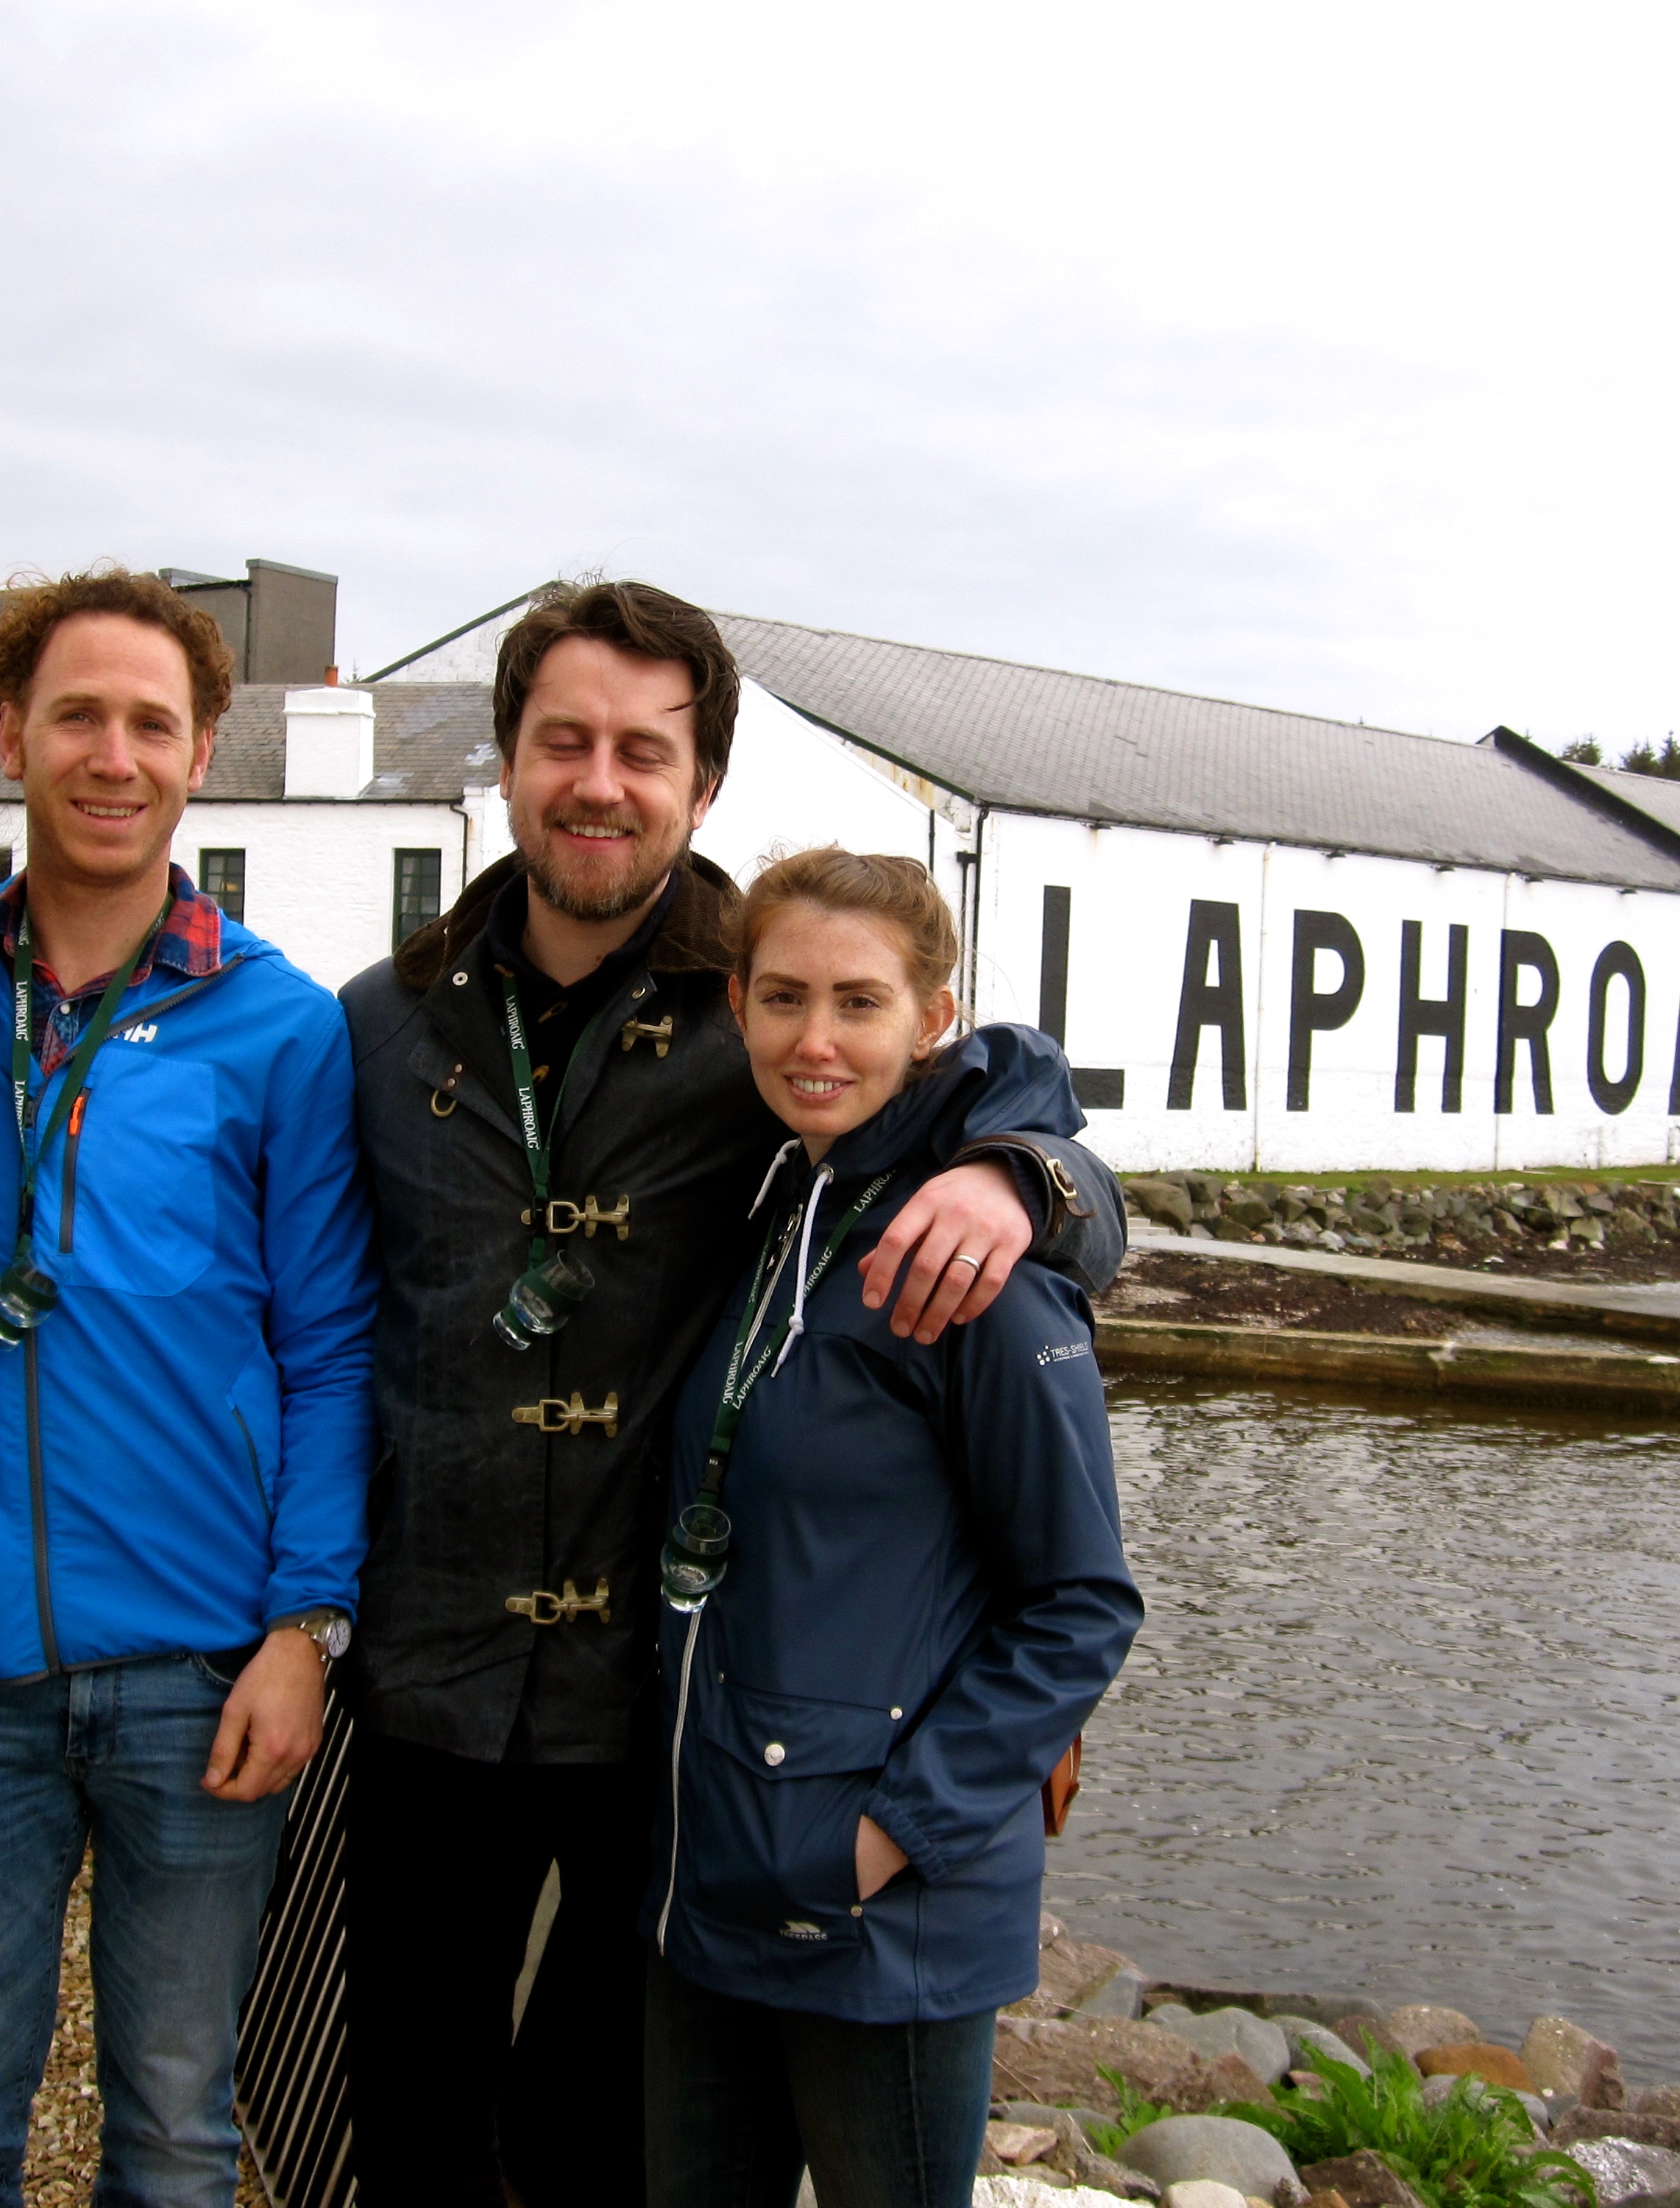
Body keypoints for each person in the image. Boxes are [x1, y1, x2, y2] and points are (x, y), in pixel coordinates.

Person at [339, 581, 1124, 2206]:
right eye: (563, 741)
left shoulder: (759, 1005)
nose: (598, 783)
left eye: (645, 750)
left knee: (598, 2150)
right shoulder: (380, 1021)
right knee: (410, 2134)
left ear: (702, 785)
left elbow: (993, 1094)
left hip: (656, 1721)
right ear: (505, 759)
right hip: (425, 1678)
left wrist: (1029, 1178)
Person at [0, 568, 375, 2208]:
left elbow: (330, 1349)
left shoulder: (280, 1026)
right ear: (7, 731)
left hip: (200, 1670)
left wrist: (305, 1632)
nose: (113, 755)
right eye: (76, 715)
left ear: (203, 751)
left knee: (174, 2126)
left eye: (151, 723)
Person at [642, 848, 1141, 2208]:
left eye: (859, 1003)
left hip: (876, 1914)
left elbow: (1081, 1605)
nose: (816, 1040)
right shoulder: (777, 1207)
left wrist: (888, 1837)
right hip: (707, 1878)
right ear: (737, 1004)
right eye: (784, 997)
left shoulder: (975, 1271)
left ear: (933, 1020)